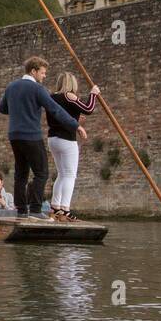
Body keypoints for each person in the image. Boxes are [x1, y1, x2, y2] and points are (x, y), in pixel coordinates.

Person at [0, 55, 78, 218]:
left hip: (14, 136)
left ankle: (21, 211)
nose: (44, 76)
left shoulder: (11, 86)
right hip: (31, 135)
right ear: (33, 71)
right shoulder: (37, 89)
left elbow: (3, 108)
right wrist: (75, 125)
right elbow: (54, 110)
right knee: (41, 173)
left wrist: (19, 109)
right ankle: (35, 210)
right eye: (42, 72)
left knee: (20, 174)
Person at [47, 71, 99, 222]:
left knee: (61, 174)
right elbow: (88, 109)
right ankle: (65, 209)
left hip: (52, 139)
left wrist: (76, 118)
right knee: (70, 175)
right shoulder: (69, 96)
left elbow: (65, 113)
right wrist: (93, 94)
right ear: (71, 84)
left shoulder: (51, 97)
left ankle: (55, 207)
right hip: (66, 140)